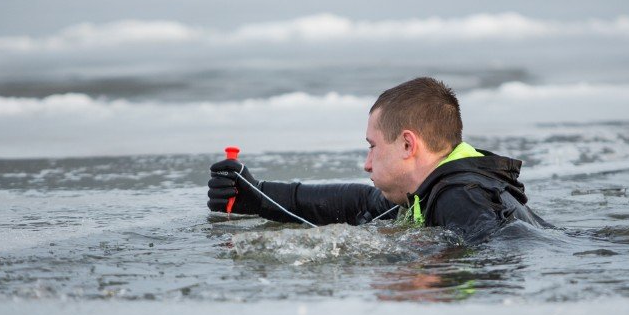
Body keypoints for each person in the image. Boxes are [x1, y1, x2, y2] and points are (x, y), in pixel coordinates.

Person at [207, 77, 549, 244]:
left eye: (373, 147)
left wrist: (423, 264)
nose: (367, 163)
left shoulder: (461, 196)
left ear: (407, 144)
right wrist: (258, 195)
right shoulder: (439, 189)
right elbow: (359, 204)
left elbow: (500, 257)